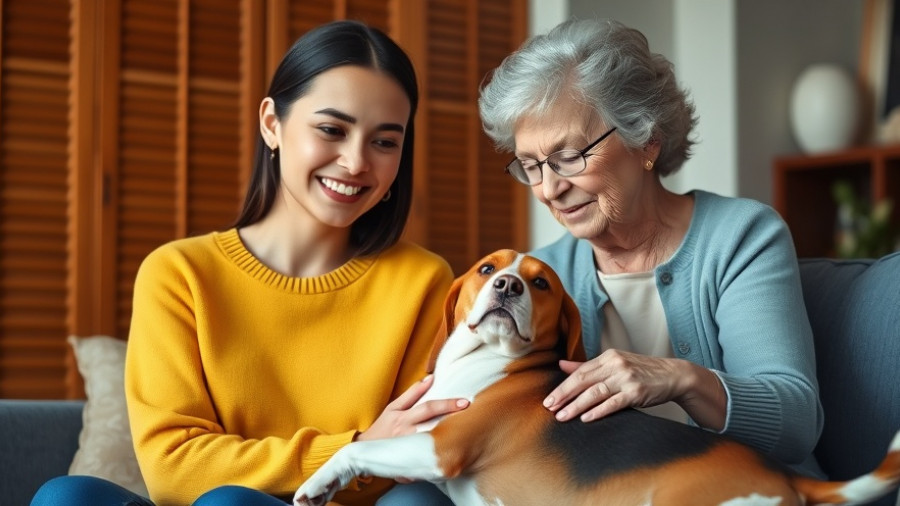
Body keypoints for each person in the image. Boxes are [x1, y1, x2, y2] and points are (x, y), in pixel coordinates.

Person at [32, 20, 462, 506]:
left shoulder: (424, 282)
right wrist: (354, 451)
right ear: (272, 124)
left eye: (385, 142)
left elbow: (415, 451)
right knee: (66, 497)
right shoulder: (178, 274)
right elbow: (172, 469)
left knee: (230, 503)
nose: (356, 162)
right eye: (331, 129)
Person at [478, 18, 824, 476]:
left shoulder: (741, 237)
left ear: (647, 140)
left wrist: (678, 379)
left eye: (569, 157)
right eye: (530, 165)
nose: (549, 189)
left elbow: (797, 423)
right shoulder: (544, 276)